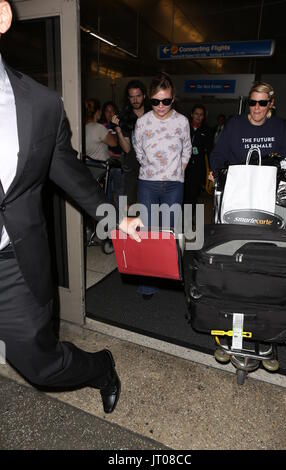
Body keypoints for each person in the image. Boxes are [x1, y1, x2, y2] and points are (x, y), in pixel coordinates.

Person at [0, 0, 142, 414]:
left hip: (12, 263)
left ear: (2, 16)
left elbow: (69, 173)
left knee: (39, 365)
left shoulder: (41, 106)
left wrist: (114, 220)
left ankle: (100, 367)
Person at [133, 72, 192, 299]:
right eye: (156, 101)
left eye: (166, 101)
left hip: (174, 185)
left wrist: (179, 170)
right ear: (150, 99)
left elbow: (187, 149)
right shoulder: (142, 122)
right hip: (148, 183)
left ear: (173, 98)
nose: (160, 106)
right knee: (147, 232)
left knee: (169, 234)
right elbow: (138, 151)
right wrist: (152, 169)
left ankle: (169, 276)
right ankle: (148, 282)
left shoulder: (182, 122)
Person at [210, 82, 286, 174]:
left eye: (262, 103)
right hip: (237, 184)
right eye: (252, 102)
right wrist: (218, 173)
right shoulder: (234, 124)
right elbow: (218, 155)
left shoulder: (279, 126)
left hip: (268, 185)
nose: (256, 108)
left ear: (271, 104)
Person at [119, 80, 151, 207]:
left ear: (144, 96)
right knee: (129, 203)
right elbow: (126, 149)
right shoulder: (125, 117)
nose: (135, 100)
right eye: (132, 97)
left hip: (152, 165)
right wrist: (118, 130)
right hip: (131, 166)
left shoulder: (153, 114)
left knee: (150, 204)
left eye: (138, 96)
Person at [184, 104, 212, 210]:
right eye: (196, 114)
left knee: (193, 196)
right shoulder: (184, 128)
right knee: (182, 195)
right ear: (192, 114)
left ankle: (188, 220)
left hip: (197, 169)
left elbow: (210, 151)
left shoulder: (207, 131)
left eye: (201, 115)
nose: (198, 117)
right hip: (183, 167)